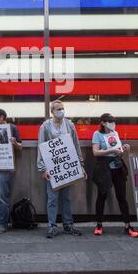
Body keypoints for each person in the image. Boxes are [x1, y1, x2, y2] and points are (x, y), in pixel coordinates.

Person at [37, 100, 86, 239]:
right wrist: (43, 168)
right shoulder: (45, 127)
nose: (61, 111)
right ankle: (52, 226)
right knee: (52, 199)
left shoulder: (70, 125)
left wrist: (80, 165)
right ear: (52, 111)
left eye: (62, 108)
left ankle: (68, 224)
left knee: (67, 198)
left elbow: (76, 145)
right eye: (58, 109)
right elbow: (41, 146)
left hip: (67, 167)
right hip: (52, 169)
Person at [92, 113, 138, 238]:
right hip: (104, 169)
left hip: (117, 167)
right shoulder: (97, 134)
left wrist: (124, 147)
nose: (112, 123)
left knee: (122, 197)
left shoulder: (115, 133)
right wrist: (112, 151)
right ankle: (99, 224)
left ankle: (127, 225)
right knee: (102, 196)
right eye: (109, 121)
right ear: (103, 122)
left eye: (113, 121)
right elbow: (95, 152)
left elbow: (118, 149)